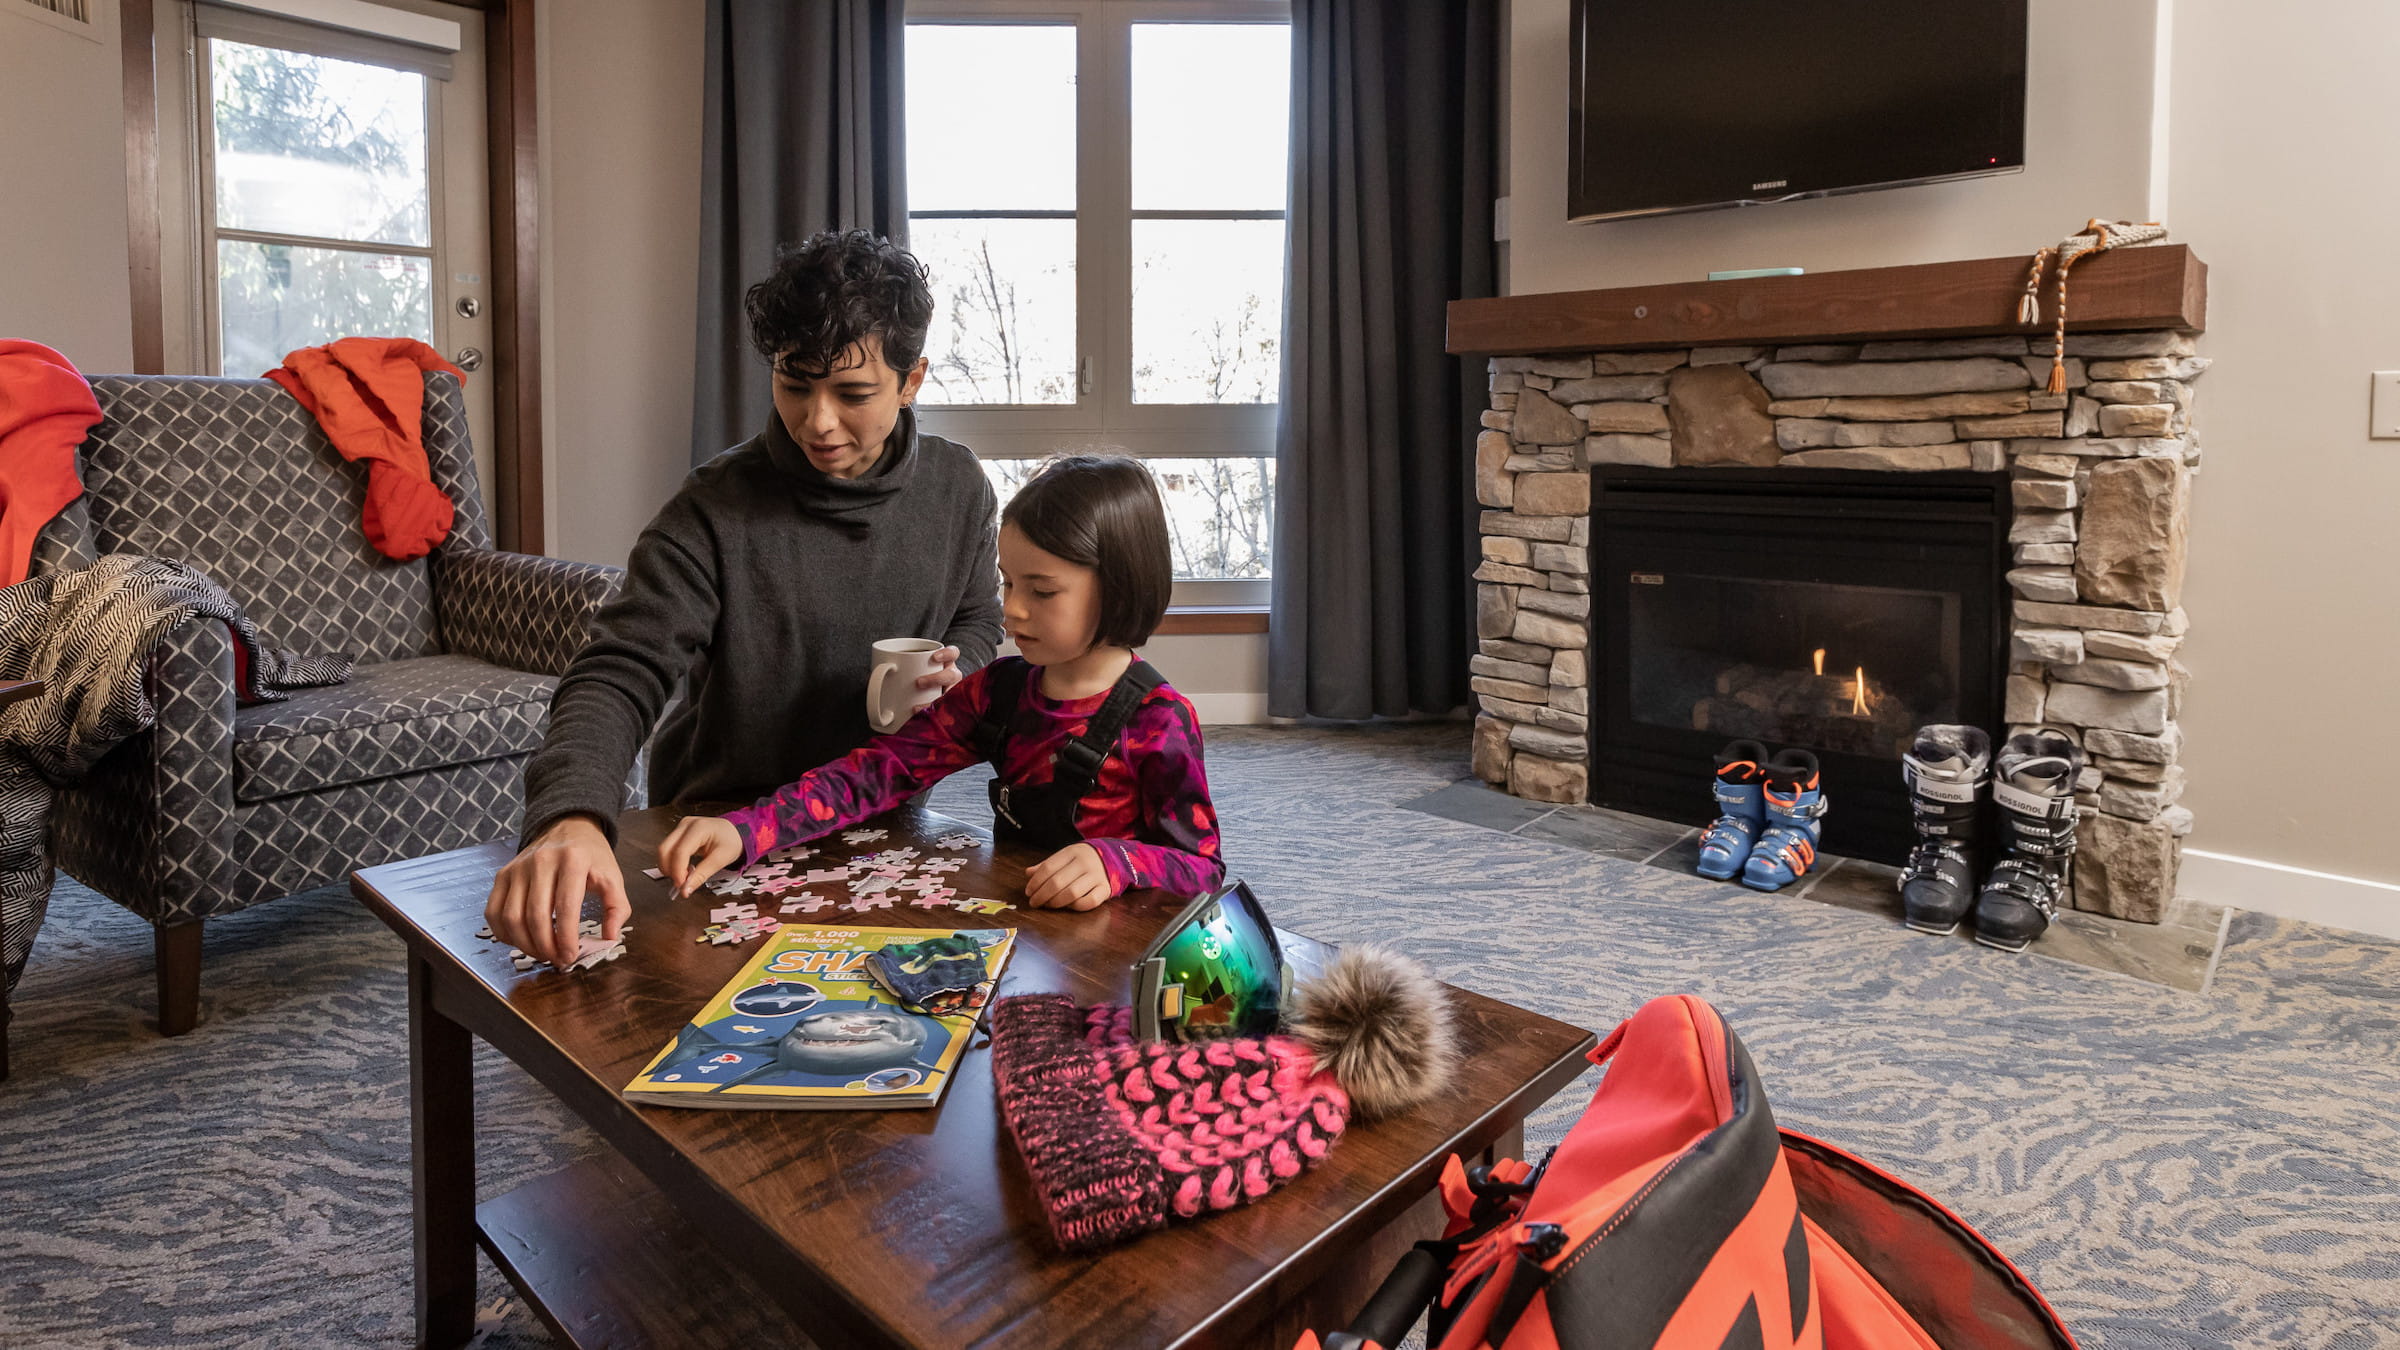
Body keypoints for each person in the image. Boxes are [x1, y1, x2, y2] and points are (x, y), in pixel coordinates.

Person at [486, 231, 1005, 966]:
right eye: (795, 384)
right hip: (714, 831)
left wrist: (963, 668)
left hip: (882, 816)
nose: (818, 422)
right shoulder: (712, 508)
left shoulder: (960, 489)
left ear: (912, 379)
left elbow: (977, 614)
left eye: (852, 393)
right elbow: (619, 670)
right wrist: (568, 813)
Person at [659, 456, 1221, 910]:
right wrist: (748, 829)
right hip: (1019, 928)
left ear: (1119, 587)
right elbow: (878, 771)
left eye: (1042, 591)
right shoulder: (999, 691)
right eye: (1006, 584)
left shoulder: (1159, 719)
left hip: (1117, 958)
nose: (1014, 611)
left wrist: (1117, 861)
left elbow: (1203, 869)